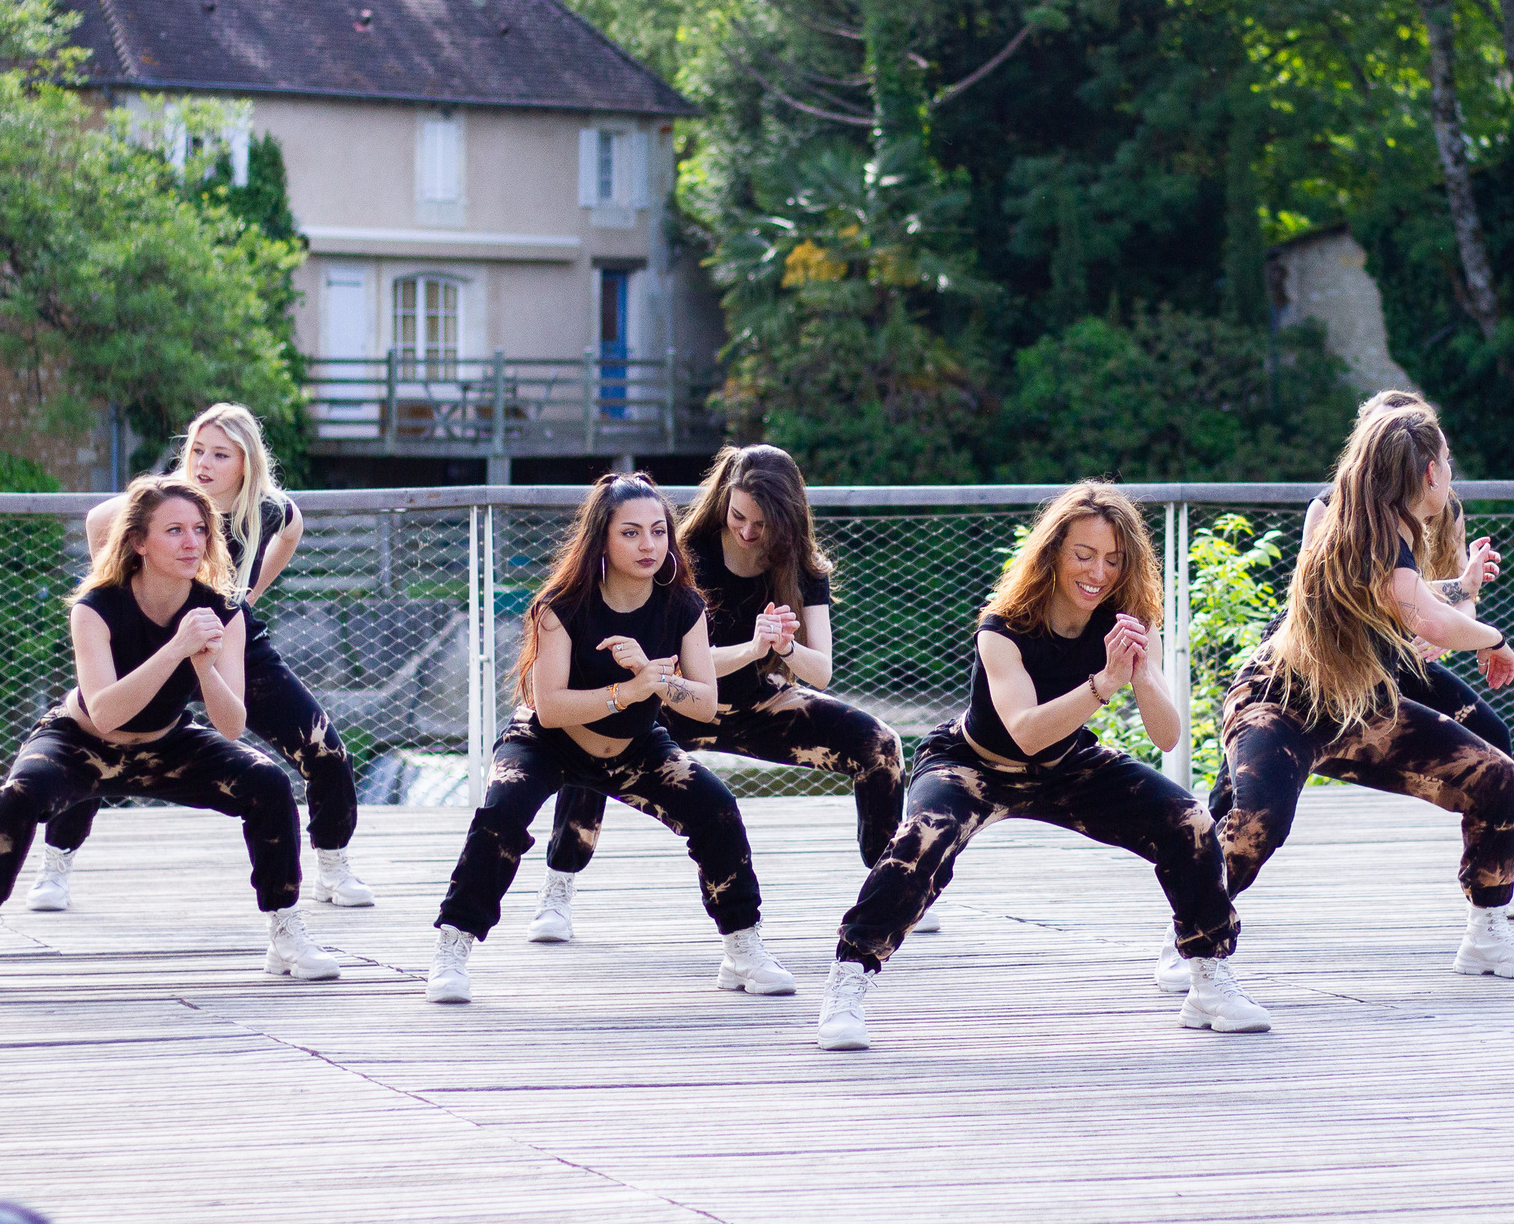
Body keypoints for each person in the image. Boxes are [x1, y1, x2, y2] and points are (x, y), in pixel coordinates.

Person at [816, 480, 1271, 1050]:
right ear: (1053, 553)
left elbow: (1168, 733)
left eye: (1112, 559)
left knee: (1189, 821)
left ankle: (1207, 976)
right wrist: (1104, 684)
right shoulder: (1002, 626)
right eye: (1083, 555)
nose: (1097, 572)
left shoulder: (1125, 618)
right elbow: (1026, 733)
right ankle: (849, 976)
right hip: (973, 763)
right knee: (920, 840)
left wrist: (1139, 670)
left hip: (1068, 763)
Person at [0, 475, 339, 988]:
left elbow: (232, 725)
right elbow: (104, 713)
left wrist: (204, 666)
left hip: (166, 742)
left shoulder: (224, 610)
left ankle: (286, 933)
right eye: (174, 530)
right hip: (81, 741)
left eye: (200, 530)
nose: (191, 542)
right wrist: (174, 647)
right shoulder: (96, 607)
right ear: (138, 542)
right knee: (20, 792)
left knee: (268, 783)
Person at [1209, 399, 1514, 981]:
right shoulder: (1350, 523)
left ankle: (1488, 935)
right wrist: (1493, 639)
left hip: (1360, 701)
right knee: (1257, 818)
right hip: (1286, 699)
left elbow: (1413, 602)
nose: (1451, 471)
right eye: (1446, 460)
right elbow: (1427, 620)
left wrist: (1458, 592)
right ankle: (1190, 937)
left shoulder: (1391, 527)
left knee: (1494, 773)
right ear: (1429, 472)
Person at [422, 472, 795, 1003]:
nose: (649, 545)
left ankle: (742, 948)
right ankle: (453, 945)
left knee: (715, 807)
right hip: (547, 742)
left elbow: (704, 701)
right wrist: (632, 687)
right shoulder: (562, 605)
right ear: (602, 538)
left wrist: (652, 677)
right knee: (501, 814)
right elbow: (548, 708)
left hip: (634, 745)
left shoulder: (682, 606)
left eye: (659, 531)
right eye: (631, 533)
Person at [525, 445, 919, 943]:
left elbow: (819, 672)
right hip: (674, 700)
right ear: (723, 501)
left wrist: (784, 645)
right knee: (601, 735)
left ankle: (893, 890)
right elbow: (687, 666)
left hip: (758, 703)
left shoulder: (804, 567)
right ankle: (558, 886)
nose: (748, 532)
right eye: (738, 516)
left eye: (762, 523)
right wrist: (754, 648)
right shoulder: (683, 555)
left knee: (880, 745)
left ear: (788, 518)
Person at [35, 404, 372, 910]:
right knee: (102, 739)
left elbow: (293, 530)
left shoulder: (268, 508)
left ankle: (333, 864)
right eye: (197, 450)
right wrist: (121, 593)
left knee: (323, 746)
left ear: (245, 463)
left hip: (226, 637)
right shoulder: (165, 500)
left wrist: (245, 596)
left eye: (220, 453)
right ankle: (56, 865)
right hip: (154, 639)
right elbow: (98, 520)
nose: (204, 463)